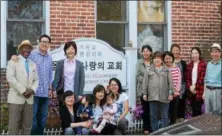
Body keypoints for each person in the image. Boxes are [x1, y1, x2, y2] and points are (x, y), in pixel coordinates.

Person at [10, 35, 54, 135]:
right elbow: (21, 59)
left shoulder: (49, 58)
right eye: (43, 41)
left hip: (45, 93)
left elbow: (50, 74)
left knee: (42, 119)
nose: (44, 44)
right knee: (32, 120)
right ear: (39, 42)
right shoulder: (32, 54)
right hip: (33, 92)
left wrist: (50, 89)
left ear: (49, 44)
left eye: (47, 42)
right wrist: (14, 57)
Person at [6, 40, 38, 135]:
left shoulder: (33, 64)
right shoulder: (13, 61)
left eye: (28, 48)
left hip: (29, 100)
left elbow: (36, 80)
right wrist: (24, 91)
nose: (27, 50)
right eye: (24, 47)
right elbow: (10, 78)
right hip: (16, 99)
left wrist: (32, 90)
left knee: (27, 126)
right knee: (13, 126)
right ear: (20, 49)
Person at [142, 51, 174, 132]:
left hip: (164, 96)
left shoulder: (167, 70)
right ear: (153, 59)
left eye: (159, 58)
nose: (157, 60)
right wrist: (145, 94)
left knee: (164, 116)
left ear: (162, 60)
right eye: (155, 58)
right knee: (153, 116)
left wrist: (170, 94)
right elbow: (145, 83)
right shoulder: (149, 70)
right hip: (152, 96)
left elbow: (171, 83)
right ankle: (155, 132)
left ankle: (163, 132)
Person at [53, 41, 85, 107]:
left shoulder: (80, 64)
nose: (70, 51)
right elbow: (56, 78)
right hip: (63, 93)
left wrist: (80, 94)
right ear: (65, 51)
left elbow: (82, 80)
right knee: (64, 114)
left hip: (75, 94)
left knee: (75, 114)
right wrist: (54, 90)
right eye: (68, 49)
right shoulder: (60, 63)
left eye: (72, 49)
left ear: (75, 51)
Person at [136, 45, 153, 134]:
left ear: (150, 52)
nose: (145, 53)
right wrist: (147, 80)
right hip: (143, 89)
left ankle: (152, 127)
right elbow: (137, 75)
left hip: (153, 90)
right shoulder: (139, 63)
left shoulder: (154, 62)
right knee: (145, 109)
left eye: (147, 51)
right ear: (142, 53)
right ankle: (146, 128)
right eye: (144, 51)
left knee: (152, 109)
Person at [186, 47, 207, 117]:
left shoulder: (203, 65)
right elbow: (187, 79)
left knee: (198, 111)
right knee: (193, 111)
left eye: (196, 53)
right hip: (191, 92)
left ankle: (199, 126)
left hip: (199, 91)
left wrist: (194, 87)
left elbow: (202, 78)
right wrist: (190, 87)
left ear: (199, 54)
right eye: (192, 53)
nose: (194, 55)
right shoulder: (189, 65)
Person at [163, 51, 181, 125]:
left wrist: (176, 91)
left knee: (173, 112)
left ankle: (172, 126)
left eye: (169, 58)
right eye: (166, 58)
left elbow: (179, 81)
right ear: (163, 60)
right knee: (165, 112)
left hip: (175, 94)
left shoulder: (177, 69)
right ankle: (165, 127)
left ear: (172, 59)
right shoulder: (163, 69)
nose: (168, 60)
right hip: (165, 94)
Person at [203, 43, 221, 114]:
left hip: (218, 91)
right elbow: (206, 79)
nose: (214, 54)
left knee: (217, 113)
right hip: (207, 91)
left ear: (220, 53)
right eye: (212, 51)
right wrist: (204, 92)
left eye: (216, 51)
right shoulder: (209, 64)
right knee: (207, 113)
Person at [171, 44, 187, 121]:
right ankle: (173, 121)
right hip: (171, 88)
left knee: (181, 104)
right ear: (171, 51)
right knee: (173, 106)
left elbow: (185, 76)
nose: (175, 51)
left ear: (179, 51)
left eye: (177, 50)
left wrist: (183, 89)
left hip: (182, 87)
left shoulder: (183, 63)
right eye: (174, 50)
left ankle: (181, 120)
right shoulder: (168, 62)